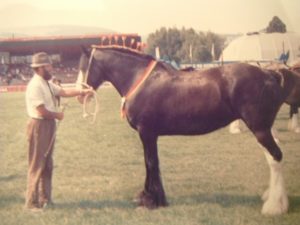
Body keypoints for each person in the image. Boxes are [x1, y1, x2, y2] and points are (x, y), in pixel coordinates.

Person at [25, 52, 92, 211]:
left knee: (47, 164)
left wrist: (82, 92)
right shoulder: (35, 85)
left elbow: (63, 92)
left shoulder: (46, 83)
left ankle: (45, 199)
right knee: (36, 164)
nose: (51, 68)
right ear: (40, 68)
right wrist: (58, 115)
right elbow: (41, 111)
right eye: (48, 65)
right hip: (39, 126)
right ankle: (31, 203)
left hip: (48, 125)